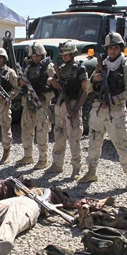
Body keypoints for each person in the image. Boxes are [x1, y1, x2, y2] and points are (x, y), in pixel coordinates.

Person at [78, 32, 127, 192]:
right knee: (93, 142)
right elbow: (89, 88)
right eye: (110, 47)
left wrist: (113, 100)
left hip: (115, 111)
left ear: (120, 48)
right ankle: (91, 172)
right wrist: (93, 79)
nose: (112, 50)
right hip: (98, 110)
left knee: (122, 144)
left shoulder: (126, 67)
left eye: (115, 47)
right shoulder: (101, 65)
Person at [45, 40, 88, 179]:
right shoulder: (60, 69)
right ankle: (57, 164)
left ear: (73, 54)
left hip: (73, 103)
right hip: (60, 104)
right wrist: (52, 81)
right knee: (58, 135)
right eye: (63, 55)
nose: (64, 57)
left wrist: (76, 109)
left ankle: (76, 168)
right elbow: (52, 81)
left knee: (74, 137)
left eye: (67, 55)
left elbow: (85, 91)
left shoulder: (80, 69)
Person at [16, 42, 56, 169]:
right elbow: (21, 84)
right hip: (29, 102)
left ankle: (43, 159)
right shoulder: (28, 69)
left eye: (38, 56)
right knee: (26, 129)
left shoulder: (49, 67)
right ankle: (28, 155)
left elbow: (56, 87)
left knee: (42, 131)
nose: (36, 58)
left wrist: (46, 97)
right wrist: (20, 82)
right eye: (33, 56)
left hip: (42, 104)